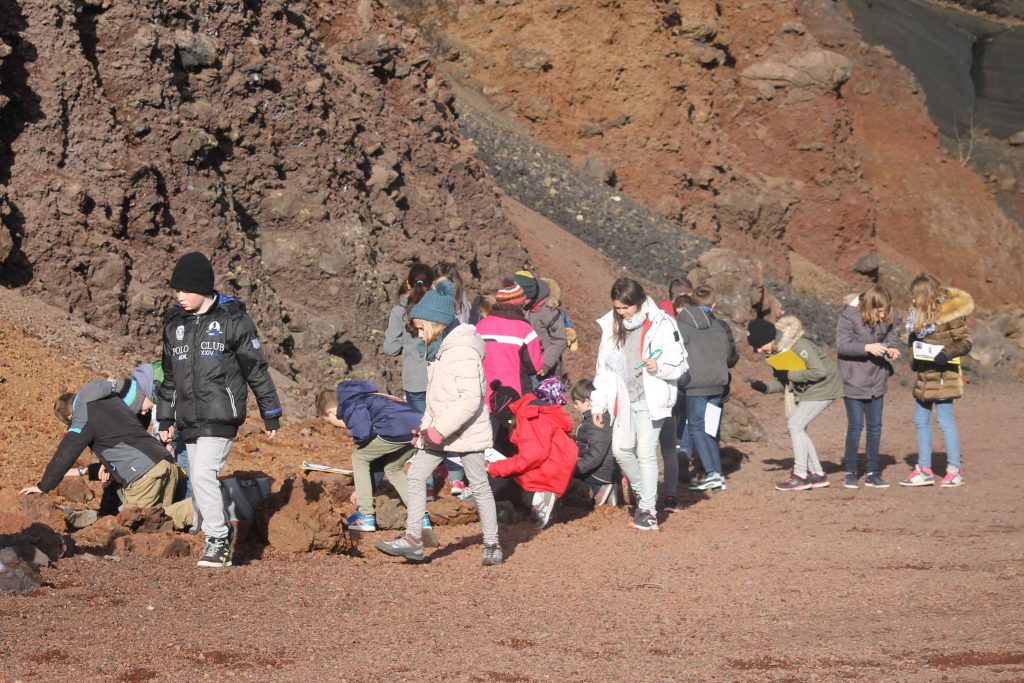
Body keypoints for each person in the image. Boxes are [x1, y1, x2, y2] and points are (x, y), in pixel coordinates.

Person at [157, 252, 282, 568]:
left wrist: (271, 411)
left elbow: (255, 368)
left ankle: (219, 539)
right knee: (200, 479)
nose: (179, 297)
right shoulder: (175, 325)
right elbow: (169, 377)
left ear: (203, 288)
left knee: (202, 475)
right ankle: (217, 535)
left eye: (185, 290)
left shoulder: (232, 320)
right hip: (188, 418)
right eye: (176, 291)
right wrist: (164, 417)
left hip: (221, 414)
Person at [375, 280, 503, 565]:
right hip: (439, 430)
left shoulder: (461, 351)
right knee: (416, 475)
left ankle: (492, 543)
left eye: (420, 328)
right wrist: (424, 429)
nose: (418, 334)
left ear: (434, 323)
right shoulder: (438, 351)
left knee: (479, 485)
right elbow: (437, 399)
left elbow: (471, 400)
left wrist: (437, 430)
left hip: (466, 430)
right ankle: (413, 540)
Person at [20, 374, 193, 531]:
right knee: (161, 522)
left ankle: (203, 508)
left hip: (143, 475)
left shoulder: (82, 415)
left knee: (135, 526)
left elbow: (67, 451)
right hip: (164, 462)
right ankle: (204, 507)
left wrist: (43, 486)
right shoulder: (110, 398)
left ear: (70, 416)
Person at [591, 277, 687, 531]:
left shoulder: (661, 323)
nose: (621, 313)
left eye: (626, 308)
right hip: (623, 400)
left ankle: (648, 512)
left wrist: (661, 367)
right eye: (618, 308)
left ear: (640, 302)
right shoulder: (611, 325)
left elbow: (681, 362)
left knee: (645, 451)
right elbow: (603, 369)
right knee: (621, 450)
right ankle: (644, 492)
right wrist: (597, 404)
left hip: (651, 397)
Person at [316, 381, 429, 532]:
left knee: (359, 457)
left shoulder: (350, 402)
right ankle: (421, 517)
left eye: (330, 421)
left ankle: (365, 516)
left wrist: (358, 440)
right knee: (393, 467)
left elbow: (363, 433)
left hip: (395, 429)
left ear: (331, 412)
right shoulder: (371, 396)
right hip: (419, 428)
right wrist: (364, 490)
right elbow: (378, 460)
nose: (336, 425)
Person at [747, 316, 844, 491]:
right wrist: (764, 387)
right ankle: (817, 473)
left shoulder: (799, 345)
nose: (759, 350)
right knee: (797, 427)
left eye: (760, 345)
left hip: (825, 387)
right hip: (809, 390)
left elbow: (818, 372)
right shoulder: (776, 351)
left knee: (795, 425)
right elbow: (783, 380)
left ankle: (801, 475)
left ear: (769, 338)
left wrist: (790, 376)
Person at [900, 274, 973, 488]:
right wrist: (914, 357)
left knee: (945, 421)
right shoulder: (918, 316)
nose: (913, 300)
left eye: (916, 296)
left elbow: (965, 342)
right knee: (920, 420)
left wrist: (947, 353)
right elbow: (914, 342)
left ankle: (954, 470)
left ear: (925, 294)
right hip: (924, 375)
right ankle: (924, 469)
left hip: (943, 375)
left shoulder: (950, 314)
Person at [836, 285, 903, 489]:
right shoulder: (848, 318)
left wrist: (892, 349)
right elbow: (842, 346)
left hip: (877, 380)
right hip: (853, 380)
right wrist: (867, 348)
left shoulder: (888, 316)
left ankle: (873, 472)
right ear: (867, 307)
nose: (882, 315)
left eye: (885, 311)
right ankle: (851, 471)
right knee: (855, 427)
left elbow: (891, 338)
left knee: (875, 428)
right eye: (878, 311)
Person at [678, 286, 738, 497]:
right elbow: (730, 357)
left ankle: (711, 472)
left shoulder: (681, 326)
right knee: (710, 429)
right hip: (718, 384)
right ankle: (718, 474)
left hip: (696, 385)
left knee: (696, 427)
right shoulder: (720, 325)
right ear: (714, 305)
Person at [487, 392, 579, 529]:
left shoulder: (529, 416)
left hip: (549, 473)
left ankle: (536, 498)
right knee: (505, 477)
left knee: (492, 484)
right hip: (558, 470)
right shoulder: (540, 411)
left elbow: (530, 457)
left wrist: (492, 467)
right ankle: (529, 505)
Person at [476, 278, 544, 406]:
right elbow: (535, 365)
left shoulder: (479, 326)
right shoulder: (525, 330)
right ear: (520, 304)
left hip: (484, 396)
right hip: (516, 397)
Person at [383, 263, 434, 413]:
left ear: (408, 284)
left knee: (420, 428)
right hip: (441, 379)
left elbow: (391, 349)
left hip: (415, 380)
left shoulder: (399, 311)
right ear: (432, 284)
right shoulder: (442, 309)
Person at [515, 271, 569, 383]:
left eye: (522, 299)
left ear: (530, 295)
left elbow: (560, 339)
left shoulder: (547, 310)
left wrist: (545, 364)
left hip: (542, 370)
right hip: (523, 365)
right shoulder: (525, 306)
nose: (519, 302)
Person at [571, 378, 618, 506]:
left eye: (576, 403)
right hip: (599, 470)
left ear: (587, 402)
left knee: (567, 483)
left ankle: (596, 491)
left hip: (599, 473)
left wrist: (574, 469)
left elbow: (595, 456)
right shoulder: (591, 420)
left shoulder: (597, 421)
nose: (574, 407)